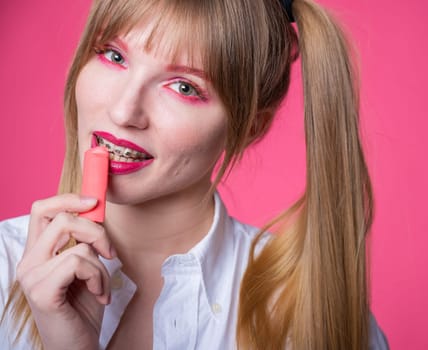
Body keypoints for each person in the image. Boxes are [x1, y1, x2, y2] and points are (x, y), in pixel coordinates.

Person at [0, 0, 389, 349]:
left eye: (184, 86)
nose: (123, 111)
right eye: (114, 56)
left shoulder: (311, 317)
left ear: (249, 126)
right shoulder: (5, 265)